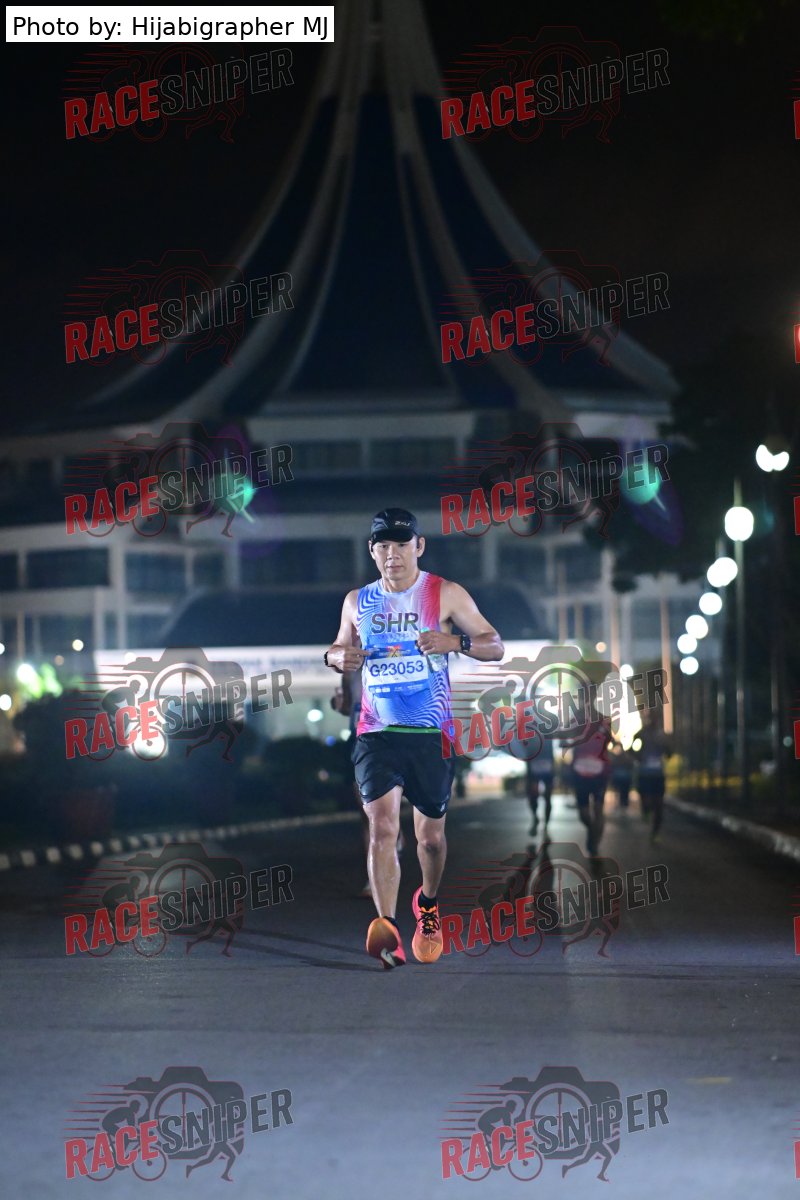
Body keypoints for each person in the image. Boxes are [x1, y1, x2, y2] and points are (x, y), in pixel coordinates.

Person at [325, 508, 504, 968]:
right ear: (372, 551)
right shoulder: (357, 601)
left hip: (431, 734)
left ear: (419, 546)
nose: (393, 554)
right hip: (376, 733)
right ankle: (387, 928)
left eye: (402, 545)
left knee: (431, 840)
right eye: (383, 545)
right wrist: (337, 659)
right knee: (383, 828)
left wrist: (456, 643)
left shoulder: (444, 593)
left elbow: (494, 644)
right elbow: (337, 647)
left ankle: (427, 903)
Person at [568, 715, 612, 856]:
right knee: (583, 815)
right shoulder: (577, 720)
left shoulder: (604, 722)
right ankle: (593, 832)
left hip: (599, 774)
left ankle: (594, 843)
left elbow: (609, 740)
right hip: (580, 775)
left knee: (598, 810)